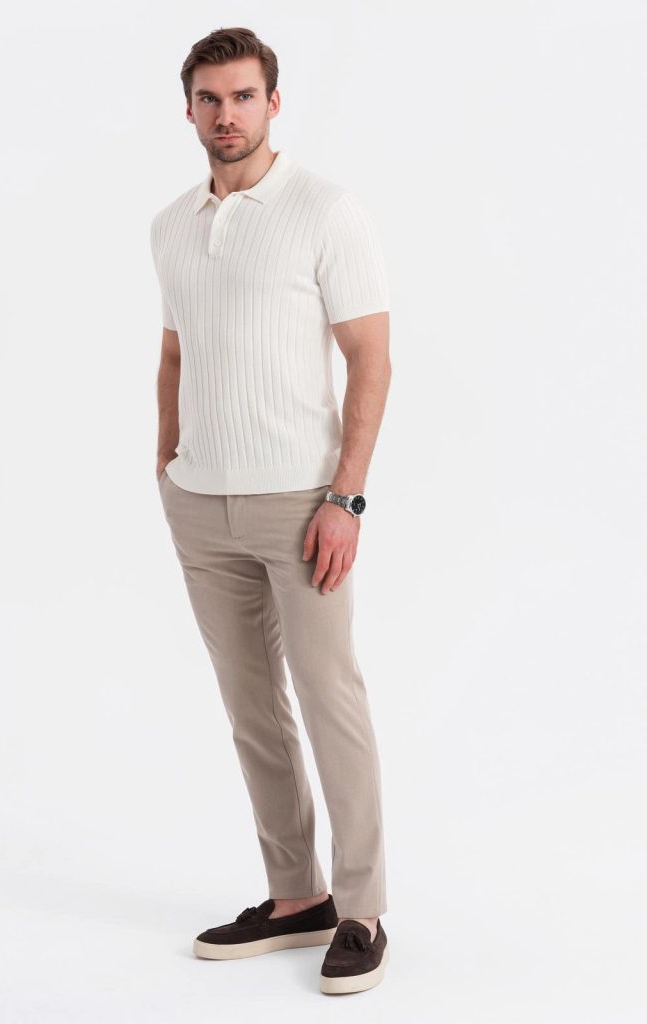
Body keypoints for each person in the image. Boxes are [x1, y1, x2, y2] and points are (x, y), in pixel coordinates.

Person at [149, 26, 392, 995]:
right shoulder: (171, 224)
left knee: (331, 701)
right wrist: (166, 464)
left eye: (243, 96)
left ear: (273, 103)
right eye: (210, 98)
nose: (227, 115)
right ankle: (298, 897)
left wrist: (345, 496)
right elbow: (174, 351)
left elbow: (370, 356)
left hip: (302, 502)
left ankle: (362, 909)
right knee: (252, 709)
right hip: (200, 503)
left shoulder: (325, 209)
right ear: (188, 109)